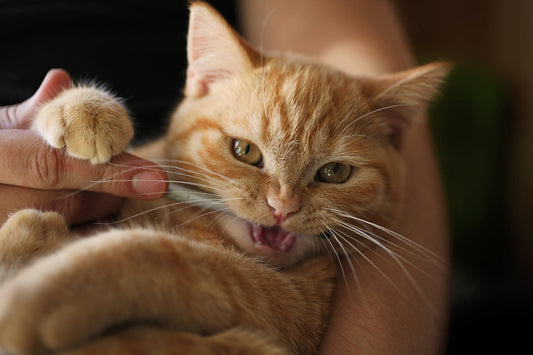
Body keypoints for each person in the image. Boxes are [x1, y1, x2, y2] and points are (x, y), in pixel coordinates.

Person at [0, 0, 450, 353]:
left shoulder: (317, 271)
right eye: (246, 151)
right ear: (205, 81)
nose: (283, 202)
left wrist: (134, 268)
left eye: (333, 171)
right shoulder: (165, 171)